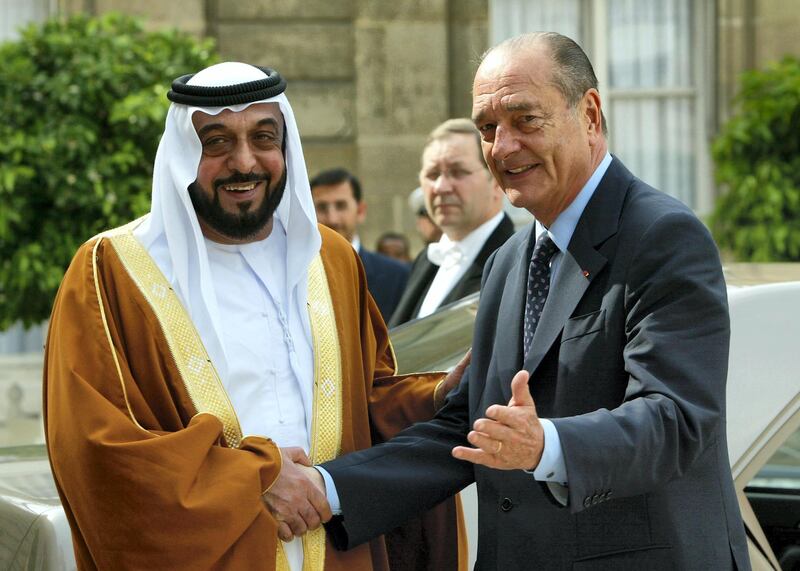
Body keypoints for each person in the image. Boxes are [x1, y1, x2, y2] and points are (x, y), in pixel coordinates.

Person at [315, 32, 750, 569]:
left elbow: (676, 419)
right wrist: (326, 489)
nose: (502, 147)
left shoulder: (662, 236)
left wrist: (546, 445)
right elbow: (470, 430)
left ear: (589, 114)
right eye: (488, 129)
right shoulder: (510, 260)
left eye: (526, 121)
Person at [43, 62, 466, 571]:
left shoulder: (329, 259)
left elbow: (367, 403)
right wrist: (252, 481)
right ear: (182, 153)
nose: (244, 163)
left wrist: (441, 395)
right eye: (216, 142)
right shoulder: (111, 271)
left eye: (264, 137)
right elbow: (97, 454)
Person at [389, 118, 514, 327]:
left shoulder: (518, 264)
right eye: (432, 174)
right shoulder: (427, 260)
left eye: (458, 172)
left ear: (496, 182)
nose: (441, 187)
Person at [310, 168, 410, 321]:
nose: (332, 219)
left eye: (341, 206)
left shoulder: (397, 276)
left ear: (361, 211)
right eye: (322, 208)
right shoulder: (296, 275)